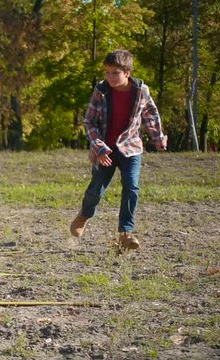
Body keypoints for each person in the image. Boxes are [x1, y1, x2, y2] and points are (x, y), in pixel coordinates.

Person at [70, 50, 167, 251]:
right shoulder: (101, 91)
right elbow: (89, 121)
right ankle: (84, 215)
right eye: (107, 72)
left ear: (128, 72)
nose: (110, 77)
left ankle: (126, 233)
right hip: (104, 148)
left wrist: (158, 138)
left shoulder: (141, 91)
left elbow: (150, 113)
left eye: (115, 72)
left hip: (131, 148)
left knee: (131, 187)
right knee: (97, 188)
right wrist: (99, 147)